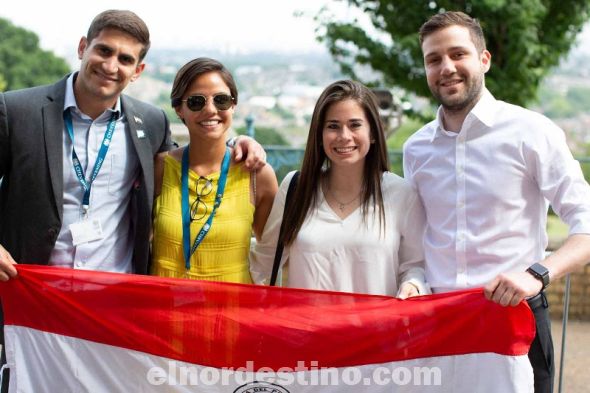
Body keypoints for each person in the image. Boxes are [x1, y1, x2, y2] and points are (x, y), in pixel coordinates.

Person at [403, 11, 590, 393]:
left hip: (513, 319)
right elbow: (417, 239)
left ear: (484, 60)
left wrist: (536, 275)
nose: (447, 67)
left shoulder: (532, 132)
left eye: (458, 54)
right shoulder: (415, 148)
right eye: (433, 59)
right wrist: (415, 281)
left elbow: (586, 223)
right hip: (438, 322)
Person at [0, 10, 265, 279]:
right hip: (31, 294)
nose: (111, 66)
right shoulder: (18, 110)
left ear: (137, 71)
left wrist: (238, 143)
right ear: (83, 47)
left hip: (114, 299)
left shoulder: (150, 123)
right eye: (104, 51)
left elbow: (193, 155)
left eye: (125, 59)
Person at [250, 80, 428, 297]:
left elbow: (415, 266)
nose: (344, 136)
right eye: (333, 126)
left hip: (377, 329)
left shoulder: (402, 194)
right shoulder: (296, 188)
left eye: (355, 125)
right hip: (308, 329)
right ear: (319, 135)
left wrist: (413, 285)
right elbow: (263, 264)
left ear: (373, 133)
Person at [150, 58, 277, 283]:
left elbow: (274, 255)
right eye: (197, 102)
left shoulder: (257, 174)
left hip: (232, 312)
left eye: (221, 100)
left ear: (234, 105)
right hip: (165, 312)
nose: (210, 110)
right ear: (179, 109)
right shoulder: (159, 168)